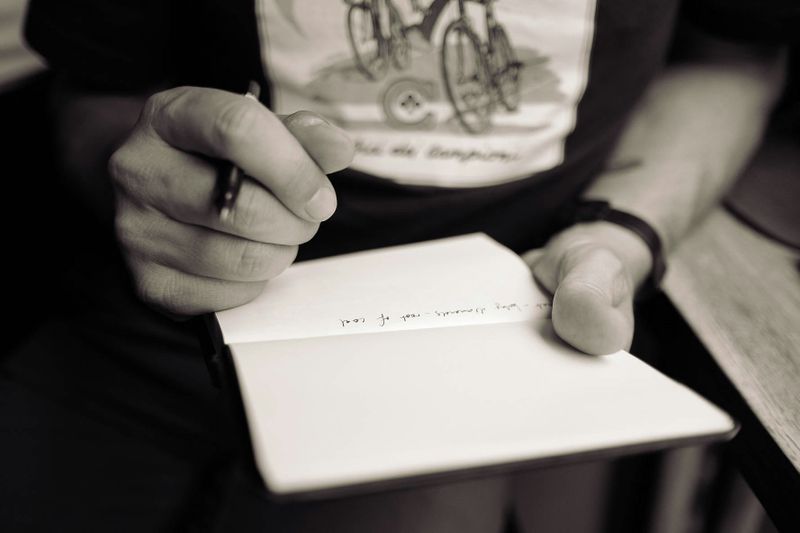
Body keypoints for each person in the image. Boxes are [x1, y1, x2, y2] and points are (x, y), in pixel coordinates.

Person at [1, 0, 792, 531]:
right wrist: (142, 176)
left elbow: (734, 55)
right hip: (128, 330)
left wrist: (619, 233)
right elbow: (97, 84)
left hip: (470, 356)